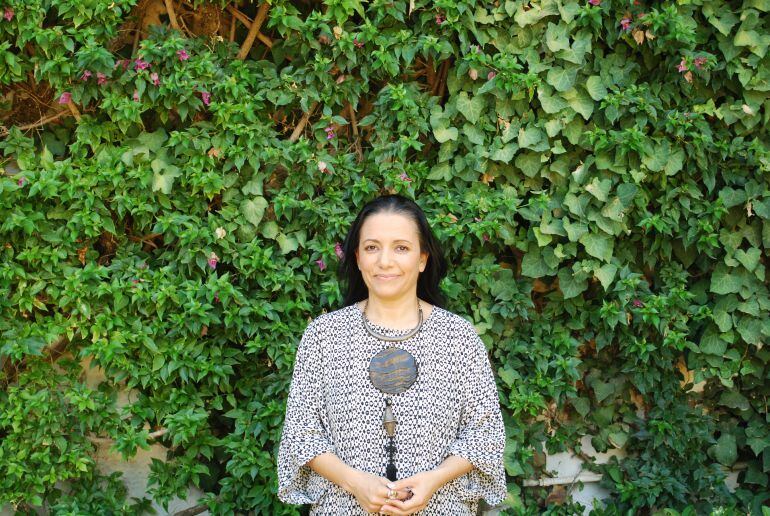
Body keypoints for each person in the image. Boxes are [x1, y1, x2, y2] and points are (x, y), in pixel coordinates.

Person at [276, 194, 507, 515]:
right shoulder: (324, 337)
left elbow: (484, 432)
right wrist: (355, 482)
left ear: (423, 258)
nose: (385, 261)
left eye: (401, 247)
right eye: (372, 247)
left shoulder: (458, 337)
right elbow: (302, 433)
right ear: (357, 257)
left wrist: (434, 480)